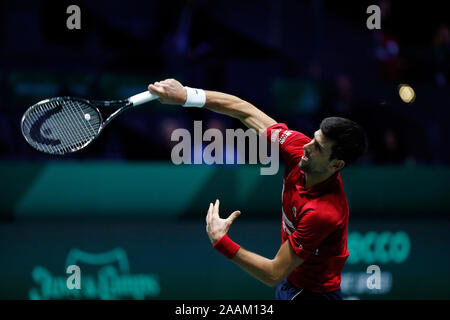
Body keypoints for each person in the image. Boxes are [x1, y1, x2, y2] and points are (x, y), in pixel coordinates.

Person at [148, 78, 367, 300]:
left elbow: (273, 273)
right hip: (290, 284)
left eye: (318, 147)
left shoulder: (322, 212)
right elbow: (244, 110)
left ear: (336, 164)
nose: (307, 147)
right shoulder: (299, 148)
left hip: (313, 294)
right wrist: (186, 95)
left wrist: (221, 241)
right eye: (314, 138)